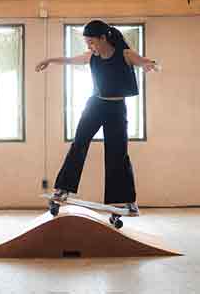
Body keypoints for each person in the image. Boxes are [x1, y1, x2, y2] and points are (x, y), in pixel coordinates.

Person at [35, 20, 160, 216]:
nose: (89, 47)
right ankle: (62, 189)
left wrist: (150, 64)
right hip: (95, 105)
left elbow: (143, 60)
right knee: (79, 144)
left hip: (117, 109)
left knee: (118, 152)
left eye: (92, 42)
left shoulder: (124, 54)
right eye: (87, 43)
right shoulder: (91, 56)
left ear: (104, 38)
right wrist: (50, 60)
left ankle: (126, 200)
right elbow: (70, 60)